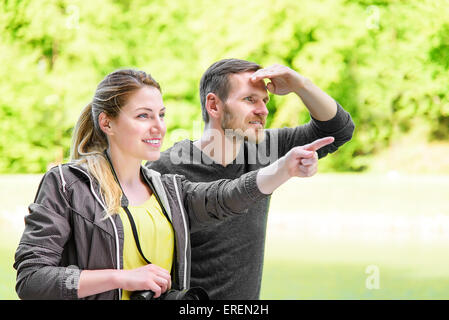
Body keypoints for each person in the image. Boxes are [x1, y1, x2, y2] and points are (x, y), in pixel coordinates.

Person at [13, 68, 334, 300]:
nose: (158, 127)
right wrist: (122, 278)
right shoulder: (67, 185)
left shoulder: (167, 188)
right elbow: (31, 279)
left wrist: (284, 168)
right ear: (107, 122)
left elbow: (225, 196)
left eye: (161, 115)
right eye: (143, 116)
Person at [147, 59, 356, 299]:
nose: (263, 110)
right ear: (214, 105)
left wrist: (301, 84)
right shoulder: (165, 168)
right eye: (250, 100)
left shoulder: (266, 149)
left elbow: (337, 130)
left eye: (265, 100)